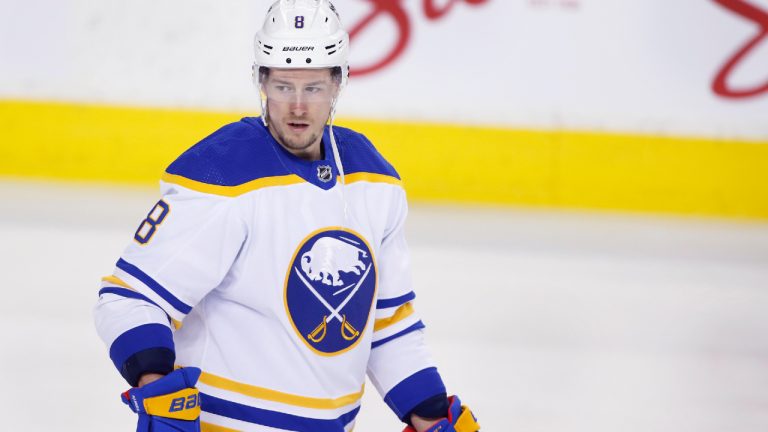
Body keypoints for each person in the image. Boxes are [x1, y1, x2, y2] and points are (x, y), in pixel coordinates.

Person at [93, 1, 480, 431]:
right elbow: (129, 298)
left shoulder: (374, 182)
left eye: (313, 87)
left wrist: (428, 411)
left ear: (339, 82)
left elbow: (386, 322)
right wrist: (155, 382)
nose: (297, 106)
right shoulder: (223, 174)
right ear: (261, 82)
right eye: (282, 86)